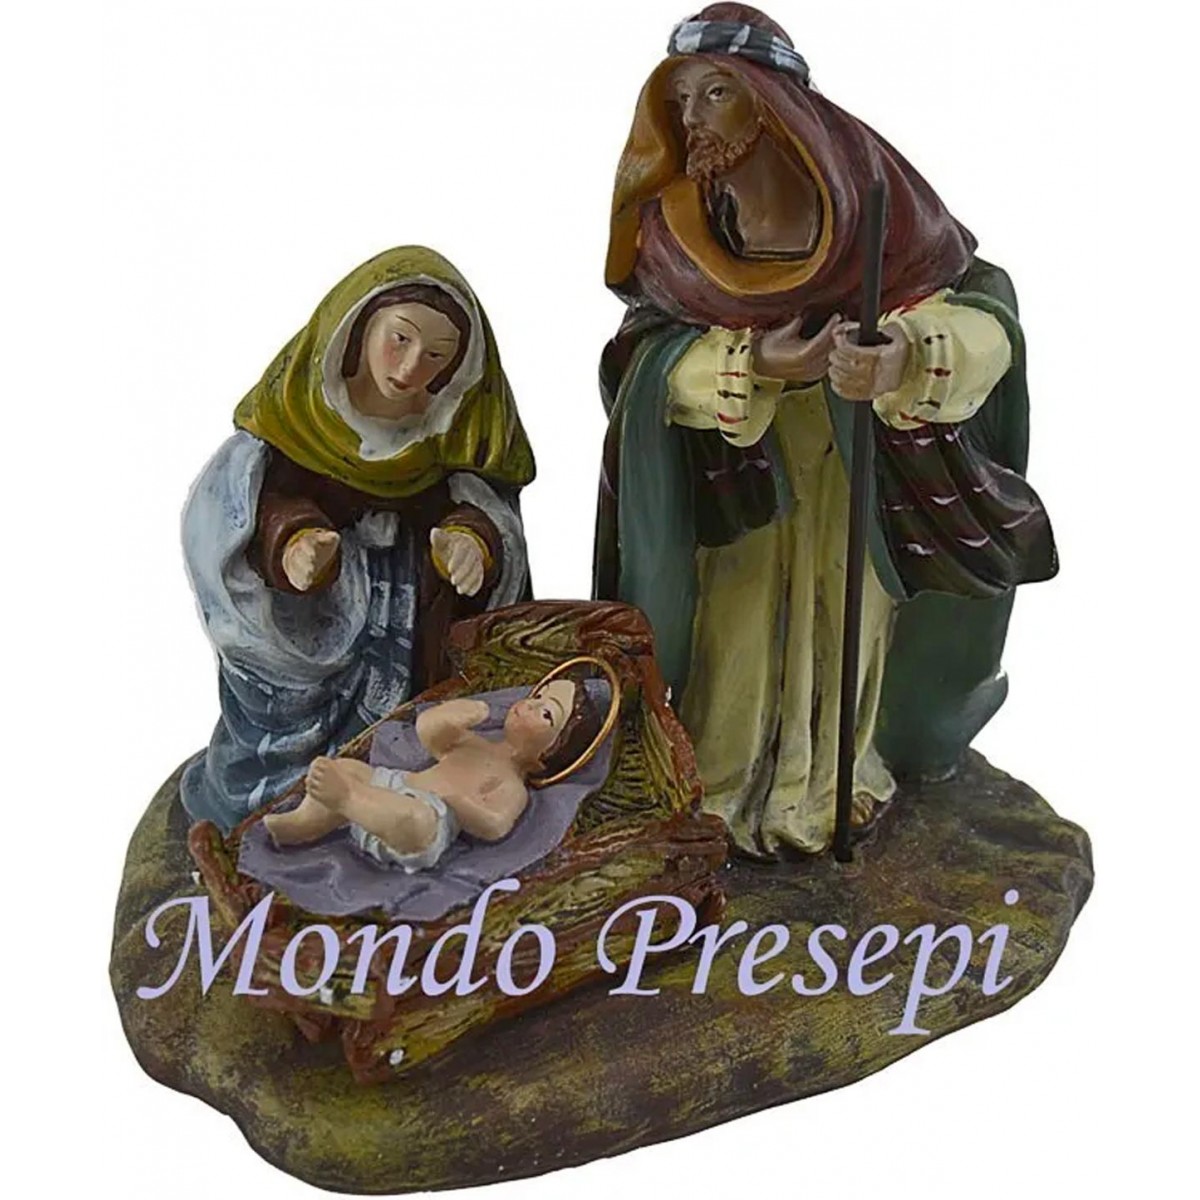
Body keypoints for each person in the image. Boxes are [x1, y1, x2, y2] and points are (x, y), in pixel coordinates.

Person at [593, 5, 1057, 857]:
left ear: (773, 103)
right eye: (681, 99)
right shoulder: (678, 233)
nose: (693, 119)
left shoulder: (886, 215)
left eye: (716, 93)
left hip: (856, 467)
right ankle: (720, 786)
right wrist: (754, 364)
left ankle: (832, 784)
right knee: (732, 634)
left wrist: (902, 359)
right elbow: (640, 359)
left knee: (845, 622)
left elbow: (984, 315)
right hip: (736, 477)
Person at [182, 246, 536, 832]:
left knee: (414, 729)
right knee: (287, 727)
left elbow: (474, 506)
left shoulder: (447, 427)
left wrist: (471, 542)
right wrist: (292, 545)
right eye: (400, 339)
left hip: (408, 619)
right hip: (313, 616)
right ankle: (290, 803)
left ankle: (386, 798)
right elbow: (249, 506)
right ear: (358, 328)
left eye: (437, 355)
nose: (412, 367)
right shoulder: (298, 417)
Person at [264, 679, 602, 871]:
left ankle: (348, 800)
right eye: (537, 696)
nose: (529, 704)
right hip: (398, 784)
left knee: (416, 819)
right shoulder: (476, 742)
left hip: (429, 819)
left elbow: (495, 825)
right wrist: (450, 716)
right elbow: (430, 735)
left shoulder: (513, 786)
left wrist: (455, 800)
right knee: (350, 769)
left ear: (547, 756)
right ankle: (303, 825)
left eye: (546, 713)